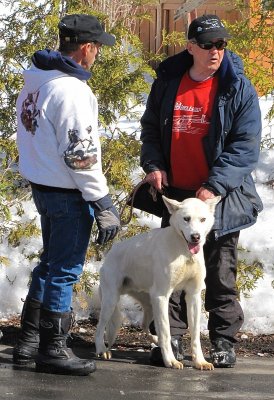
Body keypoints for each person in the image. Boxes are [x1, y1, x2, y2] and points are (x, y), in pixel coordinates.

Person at [140, 14, 263, 368]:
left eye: (221, 45)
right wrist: (154, 165)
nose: (215, 51)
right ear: (191, 46)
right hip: (178, 196)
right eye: (208, 45)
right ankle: (171, 340)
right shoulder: (168, 81)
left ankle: (224, 340)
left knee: (220, 271)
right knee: (171, 269)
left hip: (219, 198)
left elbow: (245, 146)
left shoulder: (237, 86)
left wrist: (214, 186)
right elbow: (150, 129)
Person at [13, 14, 120, 376]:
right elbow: (81, 155)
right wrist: (102, 202)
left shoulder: (36, 81)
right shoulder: (71, 90)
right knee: (64, 270)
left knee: (50, 263)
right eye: (97, 48)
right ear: (86, 48)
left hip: (43, 185)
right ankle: (54, 348)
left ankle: (28, 342)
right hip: (67, 192)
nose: (97, 55)